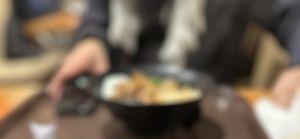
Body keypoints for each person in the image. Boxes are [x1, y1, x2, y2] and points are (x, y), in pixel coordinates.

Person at [48, 0, 300, 107]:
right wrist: (91, 39)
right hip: (121, 105)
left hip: (208, 104)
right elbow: (97, 17)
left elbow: (293, 13)